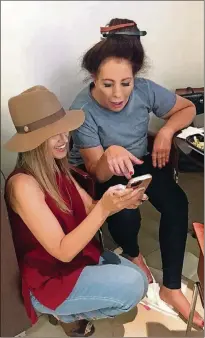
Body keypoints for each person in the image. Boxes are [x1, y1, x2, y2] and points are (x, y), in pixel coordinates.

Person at [69, 18, 203, 328]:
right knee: (126, 214)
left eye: (125, 83)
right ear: (94, 77)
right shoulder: (82, 109)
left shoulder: (144, 90)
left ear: (134, 78)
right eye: (107, 84)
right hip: (106, 169)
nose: (118, 95)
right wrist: (110, 154)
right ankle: (132, 254)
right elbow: (96, 173)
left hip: (141, 160)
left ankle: (170, 287)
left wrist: (168, 131)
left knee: (177, 203)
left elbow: (187, 109)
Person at [4, 85, 148, 337]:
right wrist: (104, 209)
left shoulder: (58, 167)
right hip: (48, 277)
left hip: (79, 257)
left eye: (64, 130)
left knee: (136, 276)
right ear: (32, 142)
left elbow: (90, 208)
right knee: (134, 286)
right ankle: (64, 313)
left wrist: (120, 201)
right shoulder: (22, 184)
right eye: (53, 134)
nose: (63, 139)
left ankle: (69, 310)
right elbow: (63, 251)